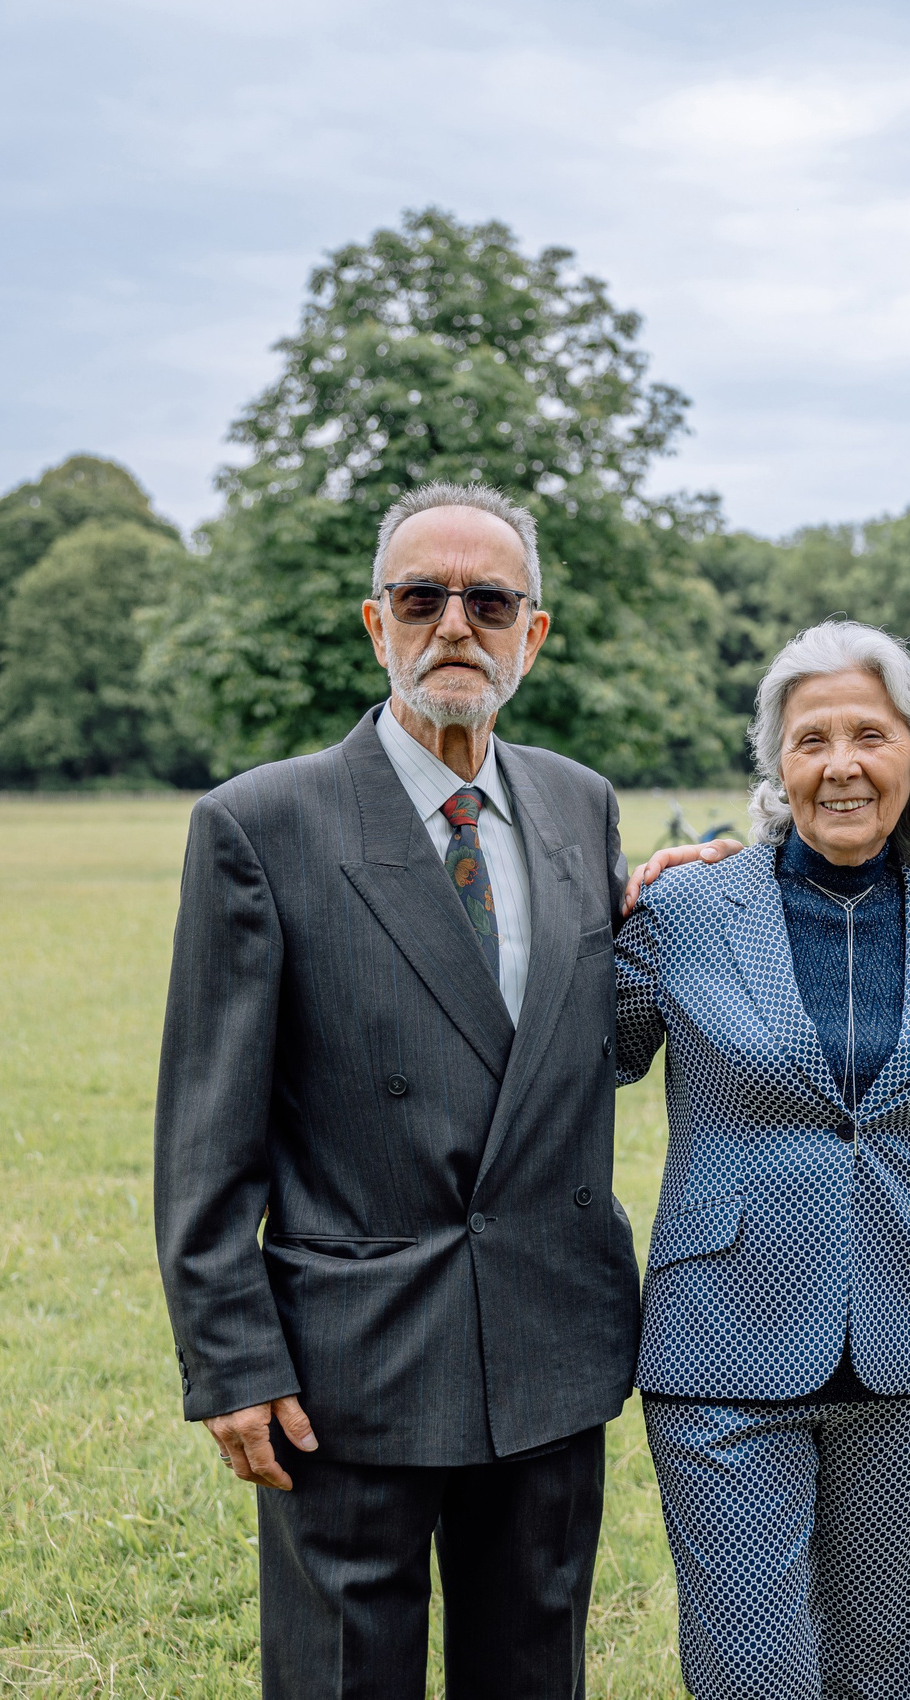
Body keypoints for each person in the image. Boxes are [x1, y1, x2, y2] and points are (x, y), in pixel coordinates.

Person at [153, 483, 638, 1698]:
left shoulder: (582, 804)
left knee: (533, 1672)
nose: (454, 626)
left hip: (549, 1339)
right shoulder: (261, 824)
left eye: (489, 600)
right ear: (378, 626)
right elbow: (208, 1129)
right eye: (422, 598)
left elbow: (580, 1038)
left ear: (535, 632)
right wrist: (231, 1359)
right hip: (348, 1367)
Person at [613, 621, 910, 1700]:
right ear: (778, 766)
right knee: (755, 1675)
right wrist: (593, 903)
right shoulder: (686, 908)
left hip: (909, 1348)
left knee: (874, 1676)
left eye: (868, 736)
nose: (840, 763)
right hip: (721, 1353)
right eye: (810, 739)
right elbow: (584, 1054)